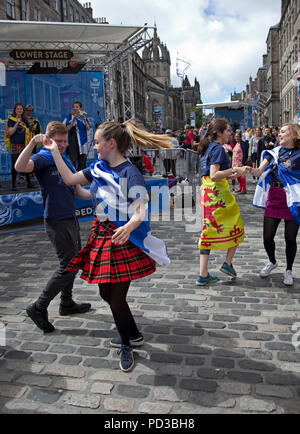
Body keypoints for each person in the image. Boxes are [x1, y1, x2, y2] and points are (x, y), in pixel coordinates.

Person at [43, 120, 172, 372]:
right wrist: (54, 151)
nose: (94, 147)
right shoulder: (98, 168)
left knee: (116, 297)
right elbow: (70, 180)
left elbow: (140, 210)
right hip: (101, 236)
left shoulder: (129, 173)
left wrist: (128, 227)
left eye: (98, 142)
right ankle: (133, 333)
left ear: (111, 143)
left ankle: (126, 344)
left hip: (122, 238)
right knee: (106, 294)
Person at [15, 122, 92, 333]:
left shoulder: (65, 159)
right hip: (56, 220)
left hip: (71, 218)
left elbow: (79, 191)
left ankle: (66, 302)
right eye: (58, 141)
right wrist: (32, 142)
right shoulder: (42, 157)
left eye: (65, 141)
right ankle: (39, 306)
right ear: (48, 140)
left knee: (74, 261)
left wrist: (100, 195)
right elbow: (20, 167)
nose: (63, 145)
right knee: (68, 265)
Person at [197, 119, 248, 286]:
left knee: (208, 230)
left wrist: (236, 174)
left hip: (207, 192)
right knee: (237, 226)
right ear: (219, 133)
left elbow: (211, 175)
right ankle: (228, 263)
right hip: (218, 193)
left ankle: (203, 274)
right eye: (227, 130)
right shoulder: (218, 148)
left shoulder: (207, 147)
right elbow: (214, 174)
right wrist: (234, 169)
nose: (230, 133)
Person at [252, 123, 300, 287]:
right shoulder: (274, 152)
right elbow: (259, 171)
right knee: (267, 237)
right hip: (275, 196)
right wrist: (246, 170)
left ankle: (288, 270)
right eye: (279, 132)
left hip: (292, 198)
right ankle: (272, 261)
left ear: (293, 134)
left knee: (290, 238)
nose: (280, 134)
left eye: (283, 131)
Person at [4, 102, 32, 190]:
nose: (19, 110)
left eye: (21, 109)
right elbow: (11, 132)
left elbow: (28, 131)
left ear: (23, 111)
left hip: (24, 145)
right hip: (14, 144)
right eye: (18, 109)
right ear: (15, 110)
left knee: (25, 163)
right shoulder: (11, 120)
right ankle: (13, 185)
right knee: (14, 165)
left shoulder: (25, 120)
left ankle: (29, 183)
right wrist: (17, 123)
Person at [64, 101, 91, 171]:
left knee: (82, 160)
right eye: (74, 107)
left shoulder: (83, 116)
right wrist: (74, 118)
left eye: (77, 107)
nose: (75, 108)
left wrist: (84, 120)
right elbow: (67, 128)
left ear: (80, 108)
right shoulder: (70, 116)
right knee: (73, 159)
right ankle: (73, 177)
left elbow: (88, 128)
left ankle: (82, 177)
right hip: (73, 140)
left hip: (82, 141)